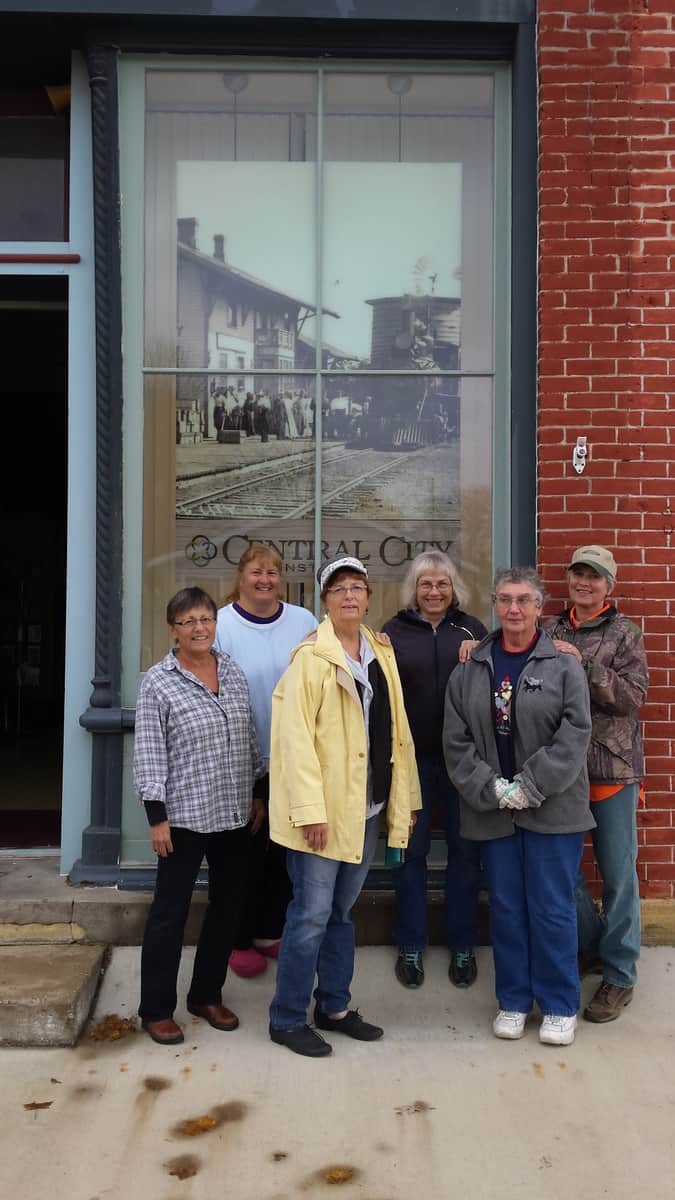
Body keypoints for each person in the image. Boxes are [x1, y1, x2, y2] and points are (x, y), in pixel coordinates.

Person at [268, 555, 421, 1057]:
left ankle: (332, 1007)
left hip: (367, 811)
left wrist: (405, 799)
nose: (349, 596)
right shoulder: (311, 658)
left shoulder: (380, 651)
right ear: (325, 601)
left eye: (357, 587)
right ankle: (286, 1018)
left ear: (369, 598)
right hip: (324, 815)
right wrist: (310, 811)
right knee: (310, 915)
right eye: (339, 589)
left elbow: (398, 731)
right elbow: (293, 742)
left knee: (340, 913)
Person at [443, 567, 593, 1046]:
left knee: (551, 908)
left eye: (524, 600)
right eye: (505, 599)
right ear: (494, 604)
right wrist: (494, 789)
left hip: (553, 808)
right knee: (507, 908)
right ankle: (513, 1000)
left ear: (539, 607)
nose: (513, 609)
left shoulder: (564, 665)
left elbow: (575, 734)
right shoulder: (470, 668)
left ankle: (559, 1005)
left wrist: (530, 785)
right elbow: (456, 741)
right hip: (493, 810)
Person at [133, 586, 264, 1045]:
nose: (198, 628)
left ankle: (206, 995)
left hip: (233, 810)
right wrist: (156, 816)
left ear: (215, 623)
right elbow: (149, 751)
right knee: (169, 914)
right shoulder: (158, 682)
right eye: (187, 621)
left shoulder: (231, 671)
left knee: (227, 907)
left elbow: (248, 735)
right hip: (182, 818)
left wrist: (258, 792)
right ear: (173, 629)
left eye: (205, 618)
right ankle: (156, 1009)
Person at [544, 545, 648, 1023]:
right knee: (563, 872)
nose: (583, 583)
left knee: (618, 876)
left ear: (609, 585)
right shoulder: (551, 628)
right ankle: (591, 946)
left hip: (611, 770)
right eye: (578, 574)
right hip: (562, 771)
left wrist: (584, 666)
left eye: (594, 576)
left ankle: (620, 974)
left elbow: (631, 697)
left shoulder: (625, 633)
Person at [382, 551, 488, 990]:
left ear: (454, 588)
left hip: (464, 760)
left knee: (465, 853)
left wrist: (480, 654)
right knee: (411, 851)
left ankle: (463, 943)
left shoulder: (473, 630)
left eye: (442, 583)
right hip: (413, 762)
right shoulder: (392, 632)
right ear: (414, 589)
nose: (434, 591)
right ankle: (411, 942)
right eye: (425, 583)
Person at [215, 544, 317, 978]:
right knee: (243, 857)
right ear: (241, 577)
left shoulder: (304, 622)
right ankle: (237, 939)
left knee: (282, 855)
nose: (265, 580)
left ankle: (268, 931)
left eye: (272, 572)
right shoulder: (221, 625)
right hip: (239, 761)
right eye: (257, 572)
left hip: (292, 759)